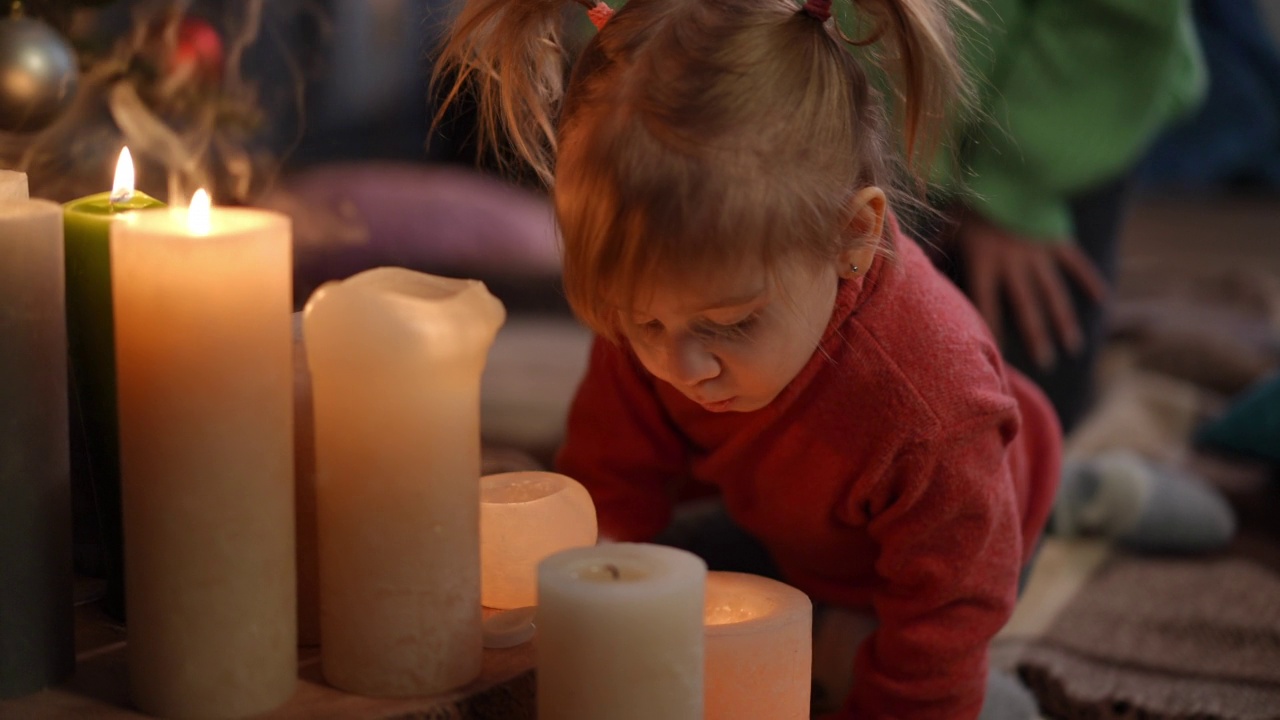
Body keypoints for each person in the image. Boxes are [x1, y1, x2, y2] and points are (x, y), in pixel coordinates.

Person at [435, 0, 1060, 717]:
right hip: (795, 527)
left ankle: (1098, 491)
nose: (681, 365)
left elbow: (949, 619)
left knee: (890, 674)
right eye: (640, 321)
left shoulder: (933, 405)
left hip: (973, 535)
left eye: (730, 325)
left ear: (852, 234)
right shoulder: (668, 320)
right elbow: (613, 473)